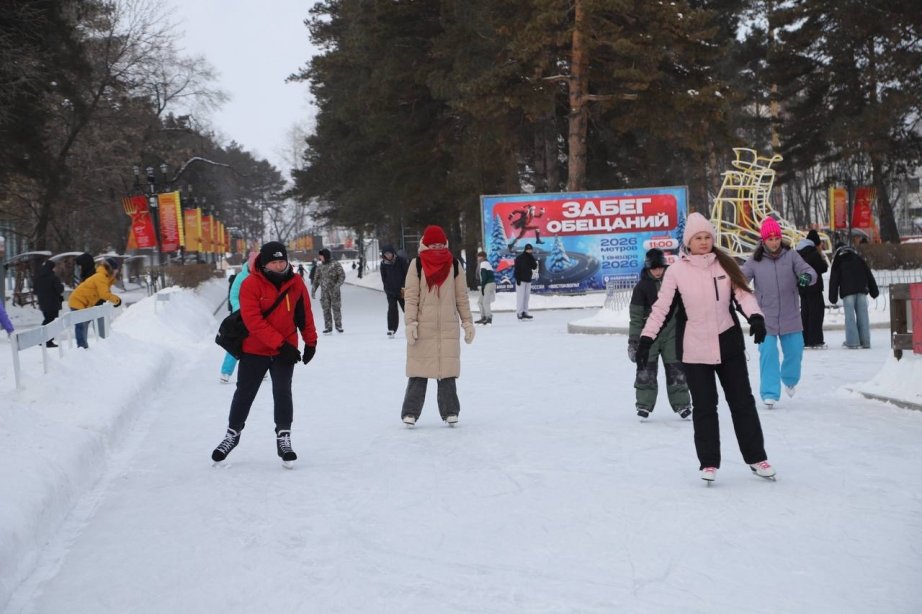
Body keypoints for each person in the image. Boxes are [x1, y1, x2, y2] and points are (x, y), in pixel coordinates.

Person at [636, 212, 775, 483]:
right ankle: (709, 463)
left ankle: (757, 457)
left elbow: (743, 295)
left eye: (707, 237)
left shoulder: (725, 264)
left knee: (742, 402)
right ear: (688, 242)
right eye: (698, 238)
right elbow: (661, 308)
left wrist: (756, 317)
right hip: (695, 349)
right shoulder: (676, 271)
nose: (703, 242)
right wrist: (646, 338)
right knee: (704, 407)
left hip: (728, 344)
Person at [211, 241, 317, 467]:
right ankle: (232, 434)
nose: (280, 266)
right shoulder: (250, 284)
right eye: (275, 262)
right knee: (244, 393)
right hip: (255, 349)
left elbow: (304, 314)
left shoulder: (295, 282)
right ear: (265, 263)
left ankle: (284, 437)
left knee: (282, 392)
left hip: (284, 350)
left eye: (283, 261)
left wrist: (311, 342)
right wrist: (281, 345)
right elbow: (254, 321)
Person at [401, 225, 475, 426]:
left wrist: (467, 322)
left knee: (447, 369)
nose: (436, 247)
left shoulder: (454, 264)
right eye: (432, 244)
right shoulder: (417, 265)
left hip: (448, 326)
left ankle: (450, 411)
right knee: (419, 370)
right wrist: (410, 323)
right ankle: (410, 412)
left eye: (440, 244)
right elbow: (411, 297)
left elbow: (461, 297)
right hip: (423, 326)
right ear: (425, 244)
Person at [741, 218, 817, 408]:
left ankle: (789, 379)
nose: (774, 242)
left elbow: (808, 270)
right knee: (767, 353)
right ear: (763, 240)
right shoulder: (755, 261)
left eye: (776, 238)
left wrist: (807, 276)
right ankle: (769, 392)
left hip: (790, 315)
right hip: (766, 318)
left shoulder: (791, 256)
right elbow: (740, 279)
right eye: (770, 239)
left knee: (795, 351)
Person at [628, 248, 692, 420]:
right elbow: (635, 317)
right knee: (645, 369)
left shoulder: (673, 283)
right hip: (649, 336)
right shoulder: (641, 287)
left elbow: (685, 308)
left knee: (676, 369)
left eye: (660, 267)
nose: (657, 271)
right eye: (653, 268)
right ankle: (644, 404)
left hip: (672, 334)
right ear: (648, 268)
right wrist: (634, 341)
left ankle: (682, 404)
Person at [829, 240, 879, 349]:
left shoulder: (838, 260)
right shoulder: (858, 258)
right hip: (861, 289)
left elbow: (834, 280)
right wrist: (874, 291)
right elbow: (868, 274)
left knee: (850, 317)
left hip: (847, 292)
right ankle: (866, 342)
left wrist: (832, 298)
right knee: (863, 316)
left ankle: (853, 342)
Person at [67, 257, 122, 349]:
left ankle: (83, 347)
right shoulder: (101, 277)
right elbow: (104, 294)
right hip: (77, 301)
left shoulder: (105, 277)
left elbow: (105, 292)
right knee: (81, 325)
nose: (117, 272)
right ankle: (82, 348)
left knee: (84, 324)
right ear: (111, 269)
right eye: (115, 270)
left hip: (84, 303)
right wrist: (117, 300)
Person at [219, 253, 256, 383]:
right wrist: (239, 309)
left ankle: (261, 370)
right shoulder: (241, 277)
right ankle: (226, 372)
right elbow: (233, 296)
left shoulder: (263, 277)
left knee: (259, 344)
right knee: (235, 343)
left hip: (258, 316)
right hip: (241, 316)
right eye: (254, 265)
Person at [797, 229, 829, 349]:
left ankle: (804, 339)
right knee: (816, 313)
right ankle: (815, 340)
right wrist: (820, 253)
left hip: (802, 286)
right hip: (814, 287)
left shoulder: (798, 253)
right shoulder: (814, 253)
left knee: (805, 313)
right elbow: (824, 267)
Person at [311, 248, 346, 333]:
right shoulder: (320, 267)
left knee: (336, 309)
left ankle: (338, 326)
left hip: (334, 292)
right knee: (326, 309)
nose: (320, 257)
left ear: (325, 256)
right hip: (324, 293)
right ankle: (328, 327)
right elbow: (316, 279)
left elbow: (342, 276)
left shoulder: (335, 264)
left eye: (321, 255)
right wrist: (313, 290)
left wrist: (337, 285)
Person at [379, 244, 409, 337]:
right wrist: (387, 288)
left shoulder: (401, 261)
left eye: (389, 253)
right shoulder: (383, 264)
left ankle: (413, 326)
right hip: (390, 291)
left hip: (402, 290)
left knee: (407, 309)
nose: (388, 256)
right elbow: (384, 278)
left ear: (393, 253)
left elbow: (407, 274)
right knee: (392, 309)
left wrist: (404, 286)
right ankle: (391, 329)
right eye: (386, 254)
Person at [34, 259, 65, 347]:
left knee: (47, 319)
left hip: (43, 303)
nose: (55, 269)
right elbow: (60, 289)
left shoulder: (39, 277)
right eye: (54, 267)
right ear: (52, 268)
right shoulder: (53, 277)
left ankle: (43, 339)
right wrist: (61, 285)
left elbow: (35, 290)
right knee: (52, 322)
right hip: (53, 303)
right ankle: (46, 340)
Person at [513, 244, 538, 320]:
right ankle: (519, 313)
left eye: (530, 249)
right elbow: (517, 269)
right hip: (521, 280)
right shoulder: (520, 258)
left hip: (528, 279)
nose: (529, 251)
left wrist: (531, 257)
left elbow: (534, 266)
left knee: (526, 297)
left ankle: (525, 312)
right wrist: (517, 279)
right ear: (525, 249)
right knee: (521, 297)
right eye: (528, 249)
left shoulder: (530, 257)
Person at [475, 251, 496, 325]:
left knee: (485, 302)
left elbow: (484, 276)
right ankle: (483, 317)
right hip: (486, 284)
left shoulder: (484, 263)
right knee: (480, 302)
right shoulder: (483, 263)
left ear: (482, 257)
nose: (478, 258)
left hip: (488, 284)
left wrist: (483, 286)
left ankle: (489, 317)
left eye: (479, 256)